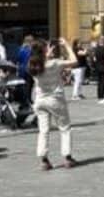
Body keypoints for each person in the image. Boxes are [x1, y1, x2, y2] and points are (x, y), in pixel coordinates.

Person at [30, 38, 78, 171]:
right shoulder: (54, 63)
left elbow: (41, 61)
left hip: (40, 101)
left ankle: (44, 160)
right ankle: (67, 157)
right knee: (64, 128)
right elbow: (74, 61)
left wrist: (47, 54)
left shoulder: (33, 65)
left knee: (43, 131)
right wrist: (67, 46)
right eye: (47, 47)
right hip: (55, 99)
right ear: (44, 50)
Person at [89, 35, 104, 105]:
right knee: (103, 83)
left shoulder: (95, 49)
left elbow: (94, 59)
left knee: (99, 83)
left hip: (98, 68)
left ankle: (99, 97)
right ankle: (102, 98)